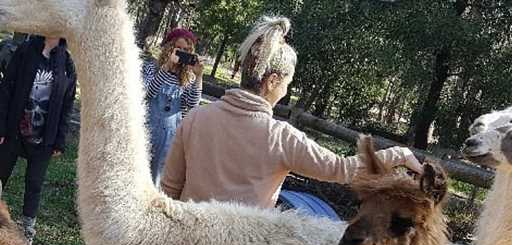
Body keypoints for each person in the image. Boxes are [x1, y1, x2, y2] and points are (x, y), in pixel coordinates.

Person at [161, 16, 422, 206]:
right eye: (288, 82)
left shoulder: (197, 117)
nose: (286, 90)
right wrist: (398, 154)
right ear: (273, 80)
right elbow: (343, 169)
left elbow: (170, 188)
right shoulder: (282, 138)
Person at [0, 35, 77, 245]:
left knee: (34, 185)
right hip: (13, 132)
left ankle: (27, 233)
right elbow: (7, 88)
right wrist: (0, 125)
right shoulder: (25, 51)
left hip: (43, 140)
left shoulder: (66, 63)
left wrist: (59, 140)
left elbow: (67, 105)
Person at [142, 28, 203, 188]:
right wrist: (167, 66)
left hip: (170, 136)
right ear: (170, 47)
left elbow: (193, 105)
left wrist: (198, 77)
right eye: (179, 49)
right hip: (146, 129)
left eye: (187, 51)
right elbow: (148, 93)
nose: (182, 53)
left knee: (157, 178)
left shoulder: (187, 78)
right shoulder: (151, 68)